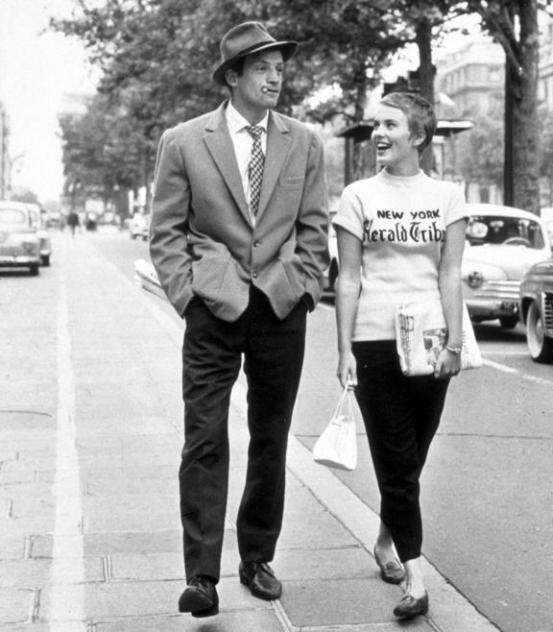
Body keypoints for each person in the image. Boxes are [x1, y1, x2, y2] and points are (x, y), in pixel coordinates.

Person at [149, 21, 328, 618]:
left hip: (279, 307)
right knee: (203, 438)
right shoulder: (183, 142)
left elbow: (314, 229)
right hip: (213, 308)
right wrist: (188, 295)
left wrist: (299, 286)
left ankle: (257, 559)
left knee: (271, 439)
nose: (276, 76)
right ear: (232, 77)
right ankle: (202, 576)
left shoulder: (304, 141)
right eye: (262, 68)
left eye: (280, 67)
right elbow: (167, 231)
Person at [333, 92, 467, 620]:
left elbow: (449, 273)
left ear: (419, 135)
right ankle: (415, 575)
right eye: (374, 125)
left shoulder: (448, 196)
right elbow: (347, 277)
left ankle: (386, 541)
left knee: (413, 455)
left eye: (390, 125)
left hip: (431, 341)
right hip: (372, 341)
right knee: (394, 456)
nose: (378, 134)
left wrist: (456, 343)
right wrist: (342, 346)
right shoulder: (357, 196)